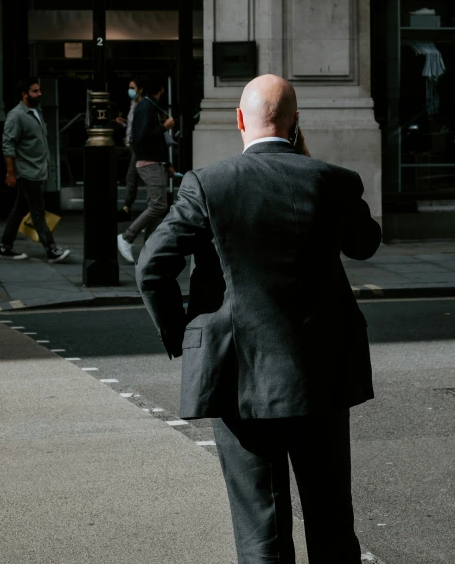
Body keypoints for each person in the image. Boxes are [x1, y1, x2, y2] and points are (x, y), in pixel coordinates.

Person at [136, 74, 381, 564]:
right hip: (322, 376)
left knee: (261, 533)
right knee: (332, 522)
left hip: (239, 376)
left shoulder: (208, 183)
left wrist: (184, 336)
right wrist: (308, 163)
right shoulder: (332, 179)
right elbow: (364, 243)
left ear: (240, 120)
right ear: (295, 125)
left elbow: (152, 268)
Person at [0, 77, 70, 263]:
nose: (39, 94)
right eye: (34, 91)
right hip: (27, 172)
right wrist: (10, 172)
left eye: (39, 90)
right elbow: (8, 145)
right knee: (38, 211)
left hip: (37, 170)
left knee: (19, 209)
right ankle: (51, 249)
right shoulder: (16, 116)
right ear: (24, 94)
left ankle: (5, 246)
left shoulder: (36, 111)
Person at [117, 78, 175, 263]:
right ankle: (127, 237)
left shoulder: (148, 106)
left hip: (153, 161)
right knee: (158, 205)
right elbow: (142, 137)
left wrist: (166, 164)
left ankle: (149, 250)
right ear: (162, 89)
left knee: (156, 207)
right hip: (148, 161)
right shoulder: (147, 107)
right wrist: (164, 127)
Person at [116, 76, 144, 220]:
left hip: (137, 146)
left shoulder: (143, 105)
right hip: (131, 144)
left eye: (133, 88)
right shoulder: (133, 103)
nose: (130, 90)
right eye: (129, 87)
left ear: (140, 89)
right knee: (137, 175)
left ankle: (127, 207)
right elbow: (133, 125)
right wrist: (124, 123)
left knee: (131, 176)